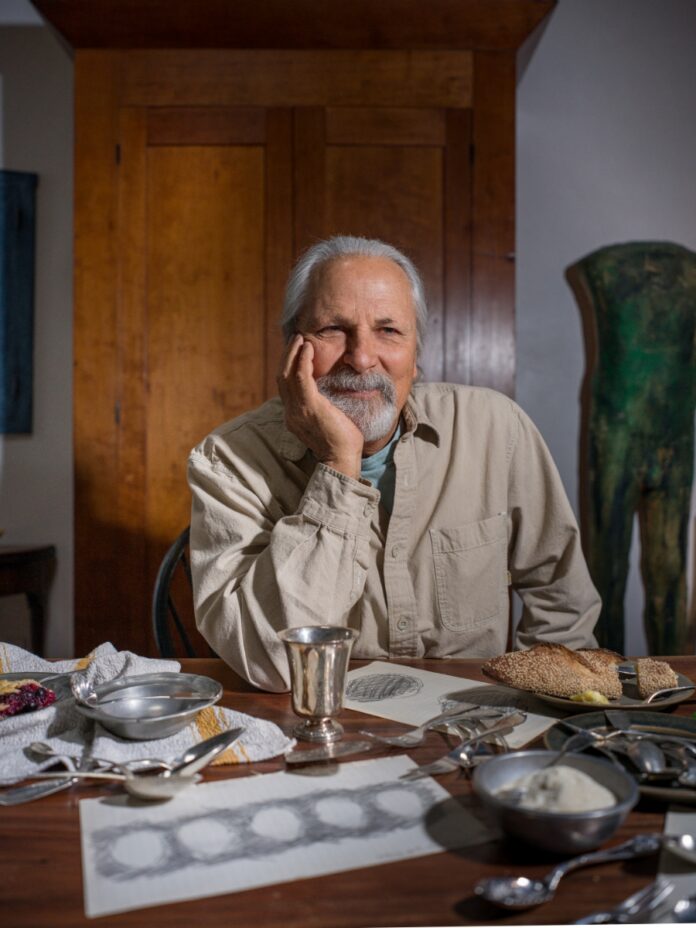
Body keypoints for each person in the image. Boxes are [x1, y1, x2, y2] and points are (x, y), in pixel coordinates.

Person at [188, 235, 600, 692]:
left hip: (476, 726)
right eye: (332, 329)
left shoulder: (495, 429)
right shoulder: (228, 461)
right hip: (318, 721)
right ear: (292, 352)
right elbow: (272, 663)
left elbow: (563, 607)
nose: (362, 357)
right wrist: (338, 465)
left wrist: (530, 710)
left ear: (416, 354)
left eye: (388, 331)